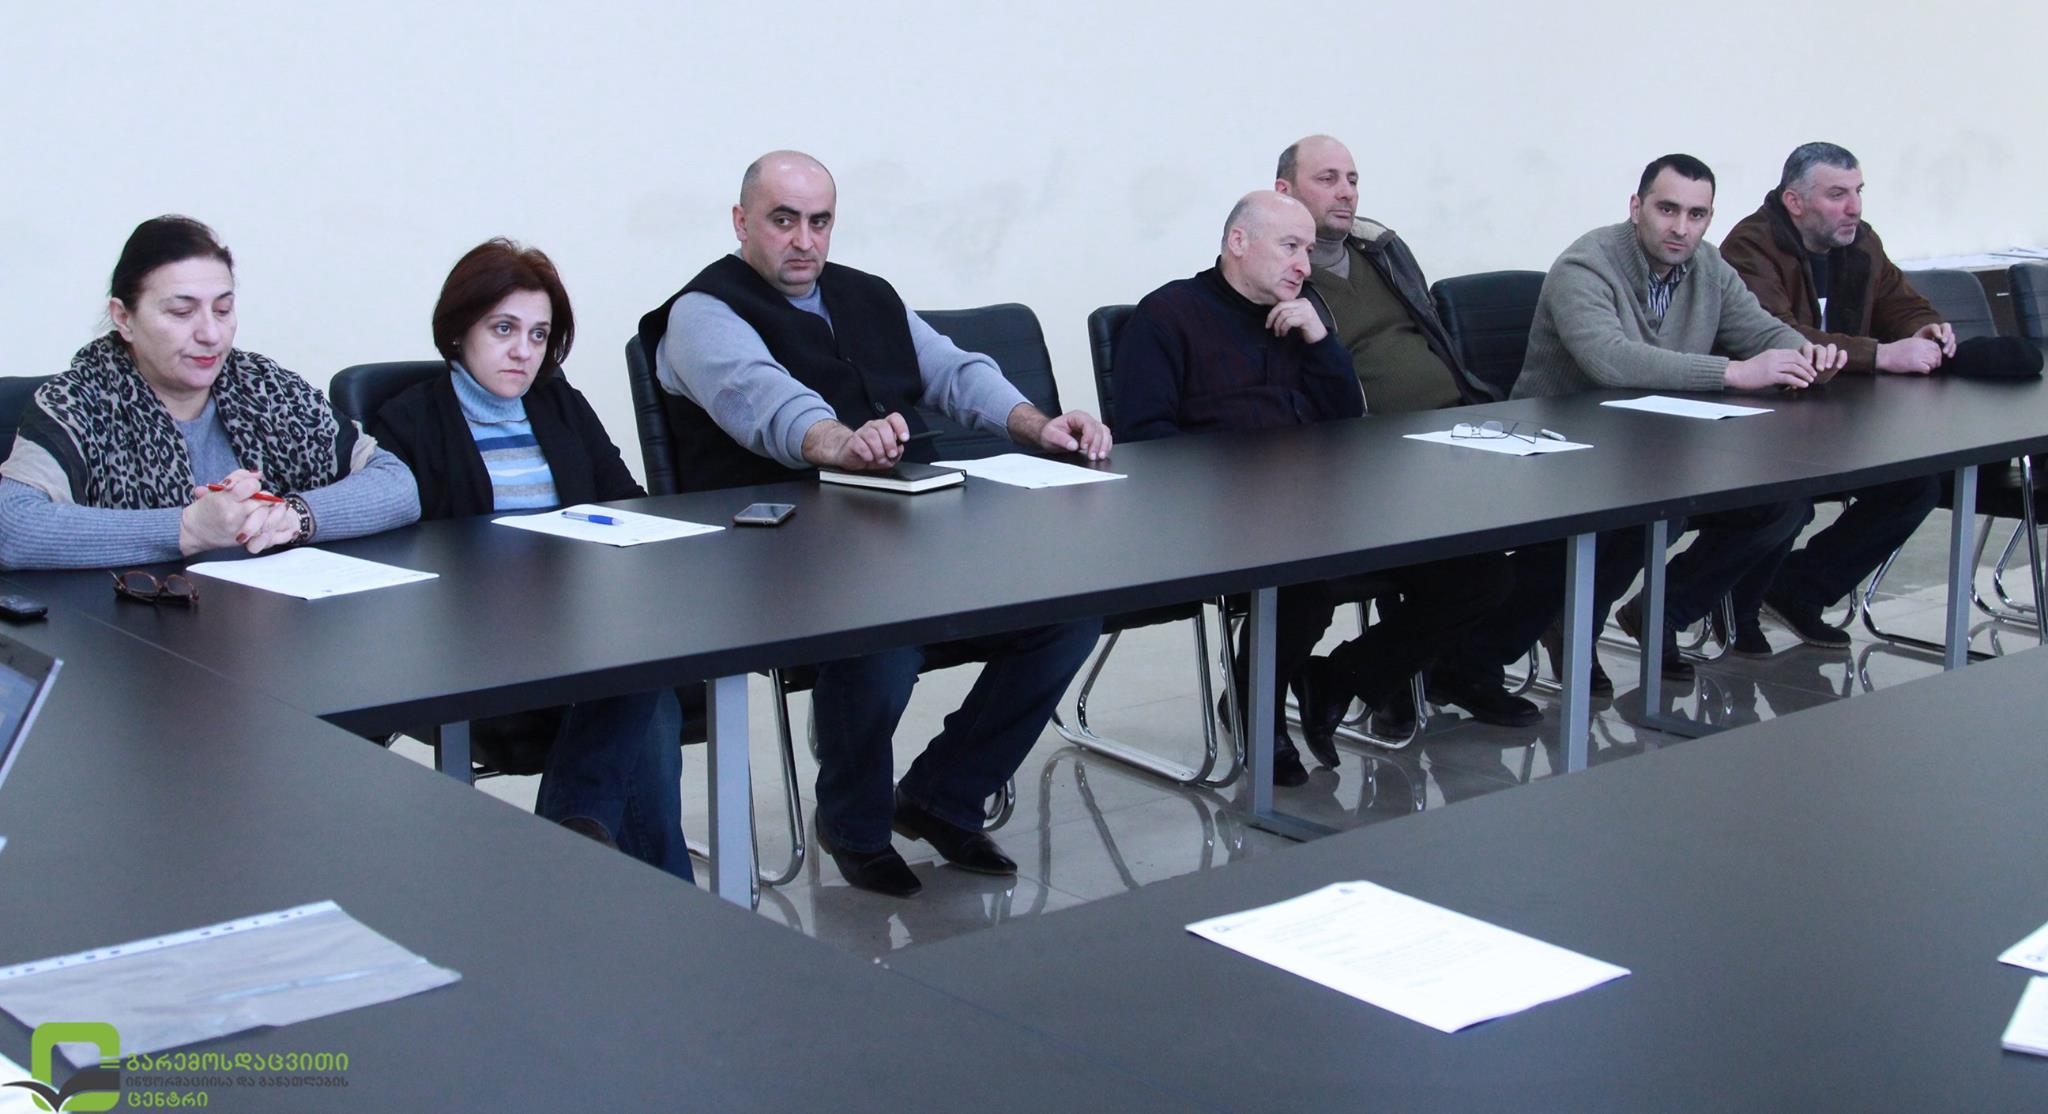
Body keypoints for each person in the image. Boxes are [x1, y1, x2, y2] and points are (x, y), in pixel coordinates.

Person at [643, 150, 1106, 897]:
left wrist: (1035, 424)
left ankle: (942, 794)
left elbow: (951, 370)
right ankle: (853, 823)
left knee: (1069, 611)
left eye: (819, 221)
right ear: (741, 221)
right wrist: (838, 441)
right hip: (778, 555)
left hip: (900, 535)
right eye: (783, 220)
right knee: (883, 638)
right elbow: (761, 401)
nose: (804, 240)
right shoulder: (701, 314)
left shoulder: (867, 294)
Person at [1113, 190, 1515, 786]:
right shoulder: (1168, 316)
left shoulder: (1298, 316)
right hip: (1219, 513)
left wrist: (1323, 343)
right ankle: (1258, 710)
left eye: (1307, 250)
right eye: (1290, 247)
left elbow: (1347, 423)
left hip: (1322, 504)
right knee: (1302, 578)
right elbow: (1144, 442)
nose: (1304, 264)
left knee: (1478, 571)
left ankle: (1339, 678)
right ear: (1239, 242)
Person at [1449, 155, 1845, 695]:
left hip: (1654, 448)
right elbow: (1610, 360)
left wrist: (1805, 354)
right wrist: (1733, 372)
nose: (1681, 227)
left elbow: (1760, 330)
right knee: (1655, 512)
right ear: (1636, 208)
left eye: (1697, 215)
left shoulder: (1708, 266)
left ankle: (1662, 612)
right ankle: (1557, 628)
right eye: (1667, 209)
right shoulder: (1586, 264)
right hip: (1562, 449)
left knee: (1782, 504)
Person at [370, 239, 692, 881]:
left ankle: (580, 844)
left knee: (646, 677)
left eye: (539, 335)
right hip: (476, 643)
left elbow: (627, 503)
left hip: (581, 628)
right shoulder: (409, 420)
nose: (524, 351)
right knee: (647, 694)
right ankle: (651, 891)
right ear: (459, 330)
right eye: (504, 329)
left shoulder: (560, 405)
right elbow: (403, 550)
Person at [1273, 134, 1540, 729]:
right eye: (1327, 179)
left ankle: (1450, 667)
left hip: (1458, 427)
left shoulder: (1382, 250)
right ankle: (1391, 673)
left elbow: (1430, 334)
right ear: (1284, 191)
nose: (1345, 192)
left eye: (1352, 179)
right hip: (1373, 455)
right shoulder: (1279, 272)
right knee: (1481, 571)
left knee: (1565, 527)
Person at [0, 216, 418, 570]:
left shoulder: (266, 387)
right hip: (128, 627)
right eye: (182, 312)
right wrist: (188, 529)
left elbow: (396, 483)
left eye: (223, 309)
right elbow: (12, 526)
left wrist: (294, 516)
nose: (211, 334)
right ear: (124, 318)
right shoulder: (78, 402)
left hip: (271, 625)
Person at [1717, 142, 1948, 652]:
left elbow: (1901, 302)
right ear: (1795, 202)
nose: (1855, 207)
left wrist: (1926, 327)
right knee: (1788, 496)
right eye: (1838, 194)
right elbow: (1779, 334)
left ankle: (1798, 589)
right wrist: (1881, 355)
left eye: (1859, 192)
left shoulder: (1860, 241)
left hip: (1840, 414)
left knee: (1917, 485)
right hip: (1762, 415)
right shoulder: (1749, 246)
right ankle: (1733, 606)